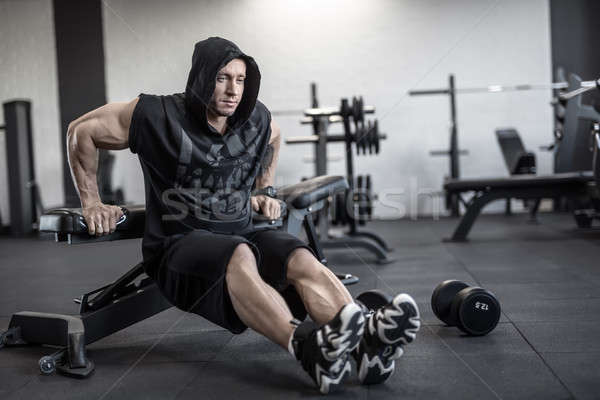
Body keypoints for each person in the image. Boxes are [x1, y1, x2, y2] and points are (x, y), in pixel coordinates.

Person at [66, 37, 420, 394]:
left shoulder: (255, 118)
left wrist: (263, 190)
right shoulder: (157, 114)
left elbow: (275, 137)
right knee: (240, 254)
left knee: (298, 255)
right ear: (203, 77)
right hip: (178, 244)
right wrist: (93, 201)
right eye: (222, 78)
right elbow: (82, 130)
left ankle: (367, 345)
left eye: (240, 79)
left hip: (243, 232)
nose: (233, 89)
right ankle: (305, 347)